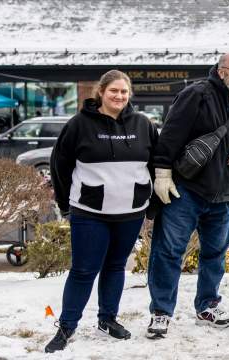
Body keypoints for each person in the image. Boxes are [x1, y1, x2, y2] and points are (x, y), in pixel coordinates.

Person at [46, 70, 158, 353]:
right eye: (113, 91)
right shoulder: (79, 125)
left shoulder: (143, 124)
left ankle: (107, 319)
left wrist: (152, 204)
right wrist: (64, 204)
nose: (119, 96)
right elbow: (60, 165)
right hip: (90, 212)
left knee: (116, 266)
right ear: (101, 92)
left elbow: (156, 165)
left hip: (131, 211)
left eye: (124, 92)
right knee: (84, 270)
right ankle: (67, 326)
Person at [146, 53, 229, 339]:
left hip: (225, 192)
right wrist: (162, 173)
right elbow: (170, 135)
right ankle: (161, 312)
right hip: (188, 189)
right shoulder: (196, 94)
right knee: (169, 252)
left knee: (215, 254)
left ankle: (207, 305)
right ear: (221, 72)